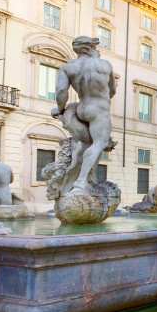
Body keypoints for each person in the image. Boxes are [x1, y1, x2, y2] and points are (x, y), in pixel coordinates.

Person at [50, 36, 116, 194]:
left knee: (85, 145)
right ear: (91, 48)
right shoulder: (105, 65)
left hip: (80, 108)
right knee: (99, 143)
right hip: (99, 109)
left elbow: (61, 92)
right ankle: (80, 183)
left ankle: (75, 179)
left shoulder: (68, 67)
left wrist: (60, 109)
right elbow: (112, 91)